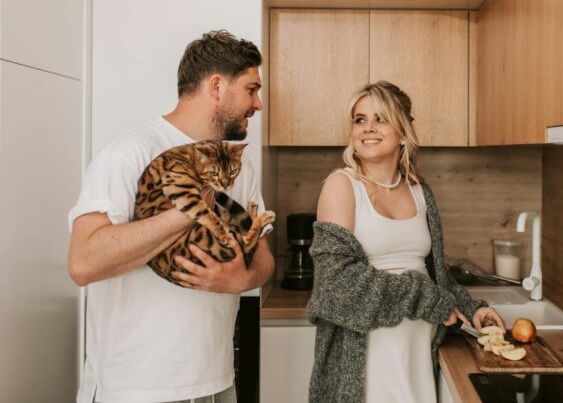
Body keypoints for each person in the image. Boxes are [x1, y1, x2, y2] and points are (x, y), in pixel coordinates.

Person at [67, 30, 275, 403]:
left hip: (217, 384)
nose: (258, 104)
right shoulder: (129, 154)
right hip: (137, 390)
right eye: (251, 89)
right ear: (216, 86)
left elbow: (263, 257)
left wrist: (244, 278)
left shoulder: (238, 165)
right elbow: (83, 263)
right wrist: (189, 211)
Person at [307, 81, 506, 403]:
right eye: (360, 119)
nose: (368, 128)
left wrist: (472, 309)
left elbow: (436, 275)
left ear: (402, 133)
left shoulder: (419, 191)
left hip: (417, 352)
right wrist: (425, 298)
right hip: (365, 357)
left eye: (380, 119)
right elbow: (336, 285)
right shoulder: (342, 186)